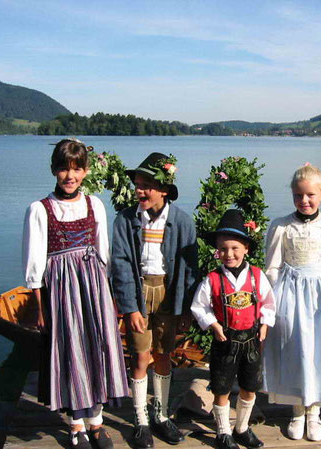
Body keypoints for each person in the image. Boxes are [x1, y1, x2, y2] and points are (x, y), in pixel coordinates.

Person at [22, 137, 128, 449]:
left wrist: (108, 296)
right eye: (64, 169)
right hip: (61, 290)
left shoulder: (94, 204)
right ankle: (76, 425)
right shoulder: (40, 210)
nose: (70, 176)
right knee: (70, 351)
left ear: (85, 171)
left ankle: (97, 422)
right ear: (55, 170)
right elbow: (34, 263)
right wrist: (39, 307)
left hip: (93, 286)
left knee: (97, 348)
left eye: (77, 169)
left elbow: (103, 252)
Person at [111, 152, 198, 449]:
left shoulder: (183, 222)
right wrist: (130, 307)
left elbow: (189, 269)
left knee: (163, 354)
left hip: (168, 296)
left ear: (164, 189)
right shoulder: (125, 220)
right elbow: (121, 264)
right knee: (139, 356)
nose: (140, 190)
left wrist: (186, 308)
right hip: (138, 293)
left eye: (147, 184)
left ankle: (160, 415)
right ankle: (140, 420)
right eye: (137, 184)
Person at [262, 164, 321, 442]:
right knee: (293, 349)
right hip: (289, 293)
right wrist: (272, 303)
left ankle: (315, 412)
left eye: (311, 195)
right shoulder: (281, 226)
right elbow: (272, 267)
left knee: (318, 351)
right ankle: (297, 410)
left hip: (320, 296)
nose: (305, 200)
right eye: (299, 195)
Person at [191, 209, 276, 449]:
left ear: (246, 248)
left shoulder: (257, 277)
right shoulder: (212, 279)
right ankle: (222, 431)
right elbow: (199, 307)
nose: (229, 254)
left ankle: (241, 427)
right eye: (223, 249)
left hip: (250, 340)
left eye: (234, 248)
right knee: (222, 386)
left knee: (250, 386)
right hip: (224, 341)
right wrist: (214, 324)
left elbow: (269, 303)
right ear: (217, 251)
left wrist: (265, 324)